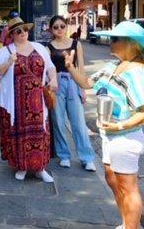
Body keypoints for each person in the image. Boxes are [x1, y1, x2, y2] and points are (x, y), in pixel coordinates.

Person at [64, 21, 144, 229]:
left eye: (115, 39)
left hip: (125, 137)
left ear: (131, 44)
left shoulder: (137, 71)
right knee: (112, 180)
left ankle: (132, 227)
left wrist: (119, 126)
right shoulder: (114, 66)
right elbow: (87, 83)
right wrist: (70, 67)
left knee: (128, 187)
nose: (110, 41)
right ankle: (126, 223)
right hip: (109, 135)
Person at [0, 16, 58, 182]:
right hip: (16, 103)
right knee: (18, 135)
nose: (23, 33)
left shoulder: (39, 48)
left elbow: (50, 67)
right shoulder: (5, 51)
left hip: (37, 103)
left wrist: (54, 79)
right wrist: (8, 62)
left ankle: (40, 168)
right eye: (18, 31)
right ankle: (21, 167)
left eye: (25, 30)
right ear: (12, 34)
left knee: (40, 133)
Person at [46, 15, 96, 171]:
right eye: (56, 27)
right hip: (57, 85)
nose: (59, 29)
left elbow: (81, 68)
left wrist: (83, 88)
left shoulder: (76, 44)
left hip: (73, 83)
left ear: (66, 26)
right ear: (51, 29)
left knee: (78, 122)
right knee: (58, 121)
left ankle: (86, 158)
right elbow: (48, 69)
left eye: (62, 26)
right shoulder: (49, 47)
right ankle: (64, 155)